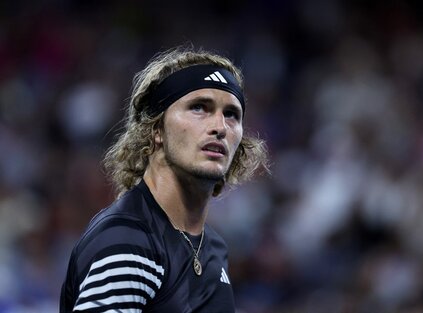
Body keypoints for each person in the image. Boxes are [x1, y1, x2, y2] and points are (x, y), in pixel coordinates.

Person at [60, 47, 269, 312]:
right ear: (156, 129)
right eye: (199, 108)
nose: (220, 126)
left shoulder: (213, 247)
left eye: (231, 114)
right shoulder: (129, 239)